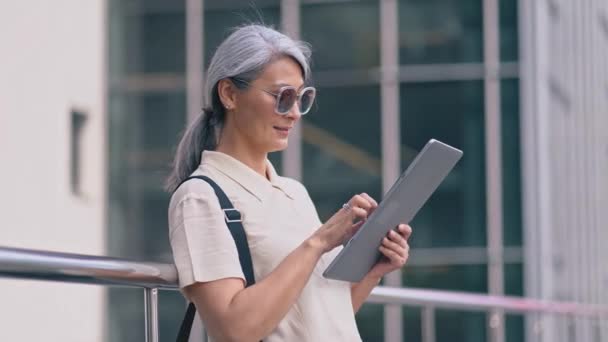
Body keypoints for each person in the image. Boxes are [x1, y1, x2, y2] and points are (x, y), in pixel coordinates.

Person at [166, 24, 412, 342]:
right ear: (229, 94)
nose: (295, 113)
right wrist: (319, 243)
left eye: (300, 98)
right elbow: (232, 330)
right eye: (282, 97)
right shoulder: (200, 196)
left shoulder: (294, 192)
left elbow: (318, 316)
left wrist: (373, 270)